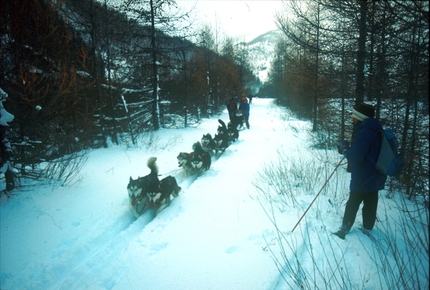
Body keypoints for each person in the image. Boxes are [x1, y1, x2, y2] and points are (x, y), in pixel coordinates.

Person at [333, 102, 387, 239]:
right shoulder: (378, 130)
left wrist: (345, 149)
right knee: (370, 202)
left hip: (363, 176)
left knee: (353, 202)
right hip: (376, 175)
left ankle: (344, 229)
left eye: (355, 117)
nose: (353, 120)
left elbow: (355, 156)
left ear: (361, 118)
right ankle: (367, 228)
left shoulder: (365, 133)